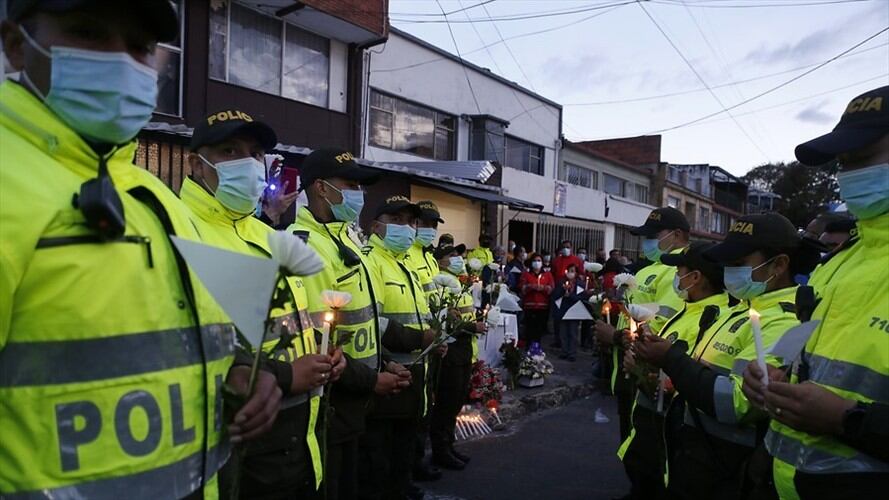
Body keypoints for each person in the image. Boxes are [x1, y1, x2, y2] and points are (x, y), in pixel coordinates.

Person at [0, 2, 280, 497]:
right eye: (89, 33)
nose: (121, 62)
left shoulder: (152, 199)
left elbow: (187, 340)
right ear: (17, 46)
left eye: (139, 47)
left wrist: (237, 372)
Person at [183, 111, 340, 498]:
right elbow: (181, 348)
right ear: (196, 165)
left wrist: (323, 354)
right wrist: (287, 375)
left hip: (295, 442)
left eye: (254, 154)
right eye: (229, 151)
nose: (248, 164)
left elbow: (290, 323)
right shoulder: (180, 231)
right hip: (237, 455)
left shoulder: (269, 235)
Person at [744, 86, 889, 500]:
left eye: (862, 158)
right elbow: (810, 356)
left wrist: (848, 420)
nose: (847, 175)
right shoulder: (840, 262)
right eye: (843, 163)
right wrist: (774, 376)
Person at [636, 213, 820, 500]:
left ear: (779, 264)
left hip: (726, 470)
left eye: (738, 263)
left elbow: (737, 403)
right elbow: (698, 373)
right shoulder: (738, 311)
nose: (729, 272)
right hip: (695, 460)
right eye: (727, 264)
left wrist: (670, 358)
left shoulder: (784, 321)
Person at [290, 149, 433, 500]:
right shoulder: (305, 247)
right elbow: (319, 343)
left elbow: (364, 324)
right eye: (351, 185)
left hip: (358, 401)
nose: (359, 194)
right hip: (332, 405)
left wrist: (385, 363)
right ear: (321, 188)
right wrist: (373, 379)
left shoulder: (345, 241)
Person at [619, 242, 730, 500]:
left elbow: (683, 379)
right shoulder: (689, 310)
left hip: (670, 442)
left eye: (679, 271)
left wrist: (642, 369)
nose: (675, 278)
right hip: (651, 433)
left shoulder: (714, 316)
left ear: (695, 277)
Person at [359, 196, 438, 500]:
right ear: (376, 226)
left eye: (411, 221)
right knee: (380, 454)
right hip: (389, 372)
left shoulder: (404, 264)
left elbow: (420, 313)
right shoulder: (371, 261)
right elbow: (372, 322)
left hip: (415, 372)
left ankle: (402, 487)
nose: (407, 228)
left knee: (404, 444)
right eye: (397, 220)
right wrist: (419, 339)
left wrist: (435, 339)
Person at [594, 207, 689, 449]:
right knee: (630, 445)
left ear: (677, 235)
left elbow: (662, 327)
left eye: (653, 236)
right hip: (629, 371)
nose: (647, 242)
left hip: (646, 375)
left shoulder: (678, 272)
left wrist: (616, 337)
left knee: (644, 450)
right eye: (645, 237)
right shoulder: (649, 269)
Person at [429, 243, 487, 471]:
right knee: (446, 403)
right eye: (451, 255)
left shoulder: (460, 282)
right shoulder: (440, 283)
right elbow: (446, 319)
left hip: (464, 350)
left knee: (456, 402)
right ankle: (440, 450)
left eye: (457, 255)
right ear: (441, 261)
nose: (457, 258)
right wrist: (473, 327)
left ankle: (449, 445)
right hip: (451, 351)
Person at [553, 263, 594, 362]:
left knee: (573, 333)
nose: (570, 273)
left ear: (576, 273)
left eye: (573, 271)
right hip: (563, 311)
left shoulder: (580, 284)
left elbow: (582, 297)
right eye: (569, 271)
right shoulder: (561, 282)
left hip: (574, 311)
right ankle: (564, 351)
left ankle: (572, 353)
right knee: (563, 333)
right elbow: (555, 295)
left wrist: (571, 295)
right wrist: (563, 291)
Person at [407, 200, 443, 301]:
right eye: (425, 224)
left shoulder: (430, 257)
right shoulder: (405, 254)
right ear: (414, 223)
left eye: (434, 225)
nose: (430, 229)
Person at [519, 253, 554, 346]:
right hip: (529, 305)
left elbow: (551, 288)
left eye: (539, 260)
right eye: (535, 260)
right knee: (529, 328)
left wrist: (543, 288)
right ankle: (528, 347)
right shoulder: (526, 274)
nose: (537, 263)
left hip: (543, 305)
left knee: (539, 329)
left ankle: (537, 347)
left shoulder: (547, 274)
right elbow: (522, 287)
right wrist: (530, 286)